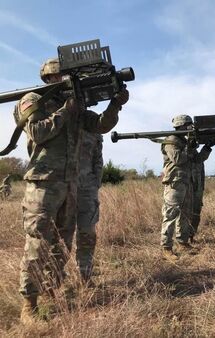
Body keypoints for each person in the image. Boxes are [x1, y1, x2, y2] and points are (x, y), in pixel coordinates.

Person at [17, 58, 128, 324]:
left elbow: (101, 125)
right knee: (37, 245)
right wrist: (66, 110)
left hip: (70, 185)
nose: (63, 81)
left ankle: (50, 292)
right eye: (59, 77)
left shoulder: (77, 107)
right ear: (49, 79)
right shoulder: (33, 100)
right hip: (43, 185)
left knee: (62, 246)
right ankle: (29, 304)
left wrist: (115, 104)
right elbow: (37, 132)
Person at [160, 115, 197, 261]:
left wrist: (206, 148)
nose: (191, 128)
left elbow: (196, 159)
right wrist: (189, 147)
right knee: (170, 215)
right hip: (174, 182)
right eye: (189, 126)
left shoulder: (185, 142)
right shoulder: (171, 140)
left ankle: (182, 242)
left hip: (186, 181)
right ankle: (166, 248)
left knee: (185, 213)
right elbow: (178, 159)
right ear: (182, 125)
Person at [75, 131, 103, 284]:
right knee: (57, 235)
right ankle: (52, 282)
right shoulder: (53, 115)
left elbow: (98, 159)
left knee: (87, 233)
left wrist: (95, 183)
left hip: (86, 187)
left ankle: (84, 275)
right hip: (59, 186)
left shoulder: (91, 125)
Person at [190, 140, 215, 243]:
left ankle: (190, 237)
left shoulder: (194, 152)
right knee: (186, 214)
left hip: (198, 189)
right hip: (189, 189)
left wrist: (207, 146)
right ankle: (182, 239)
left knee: (196, 214)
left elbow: (199, 159)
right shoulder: (184, 149)